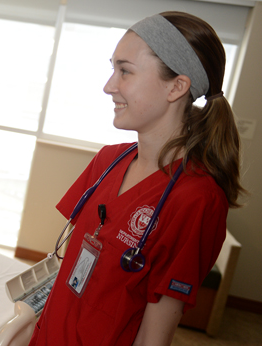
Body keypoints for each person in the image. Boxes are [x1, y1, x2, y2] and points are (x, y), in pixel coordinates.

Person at [29, 11, 245, 346]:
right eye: (112, 68)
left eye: (125, 71)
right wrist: (31, 320)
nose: (108, 86)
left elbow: (154, 336)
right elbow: (70, 266)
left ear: (176, 87)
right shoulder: (108, 160)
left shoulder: (197, 200)